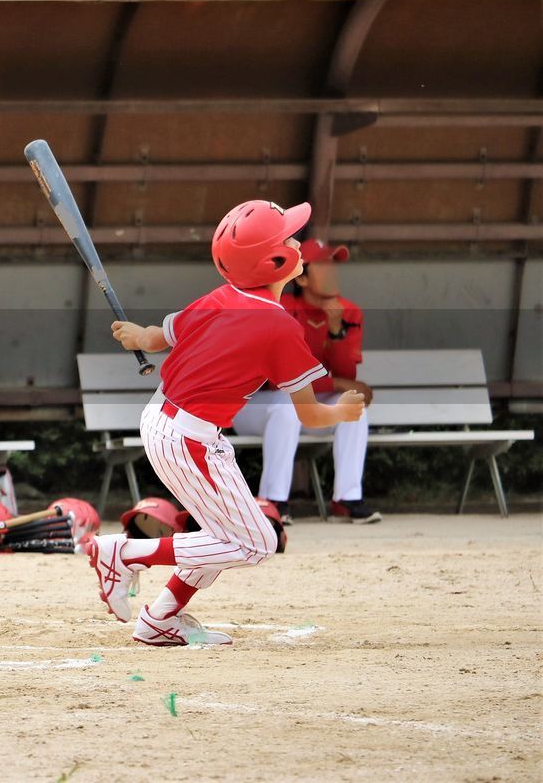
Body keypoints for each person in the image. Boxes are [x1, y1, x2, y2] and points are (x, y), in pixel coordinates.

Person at [87, 200, 365, 646]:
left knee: (222, 536)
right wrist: (342, 413)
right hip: (187, 438)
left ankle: (160, 620)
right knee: (256, 544)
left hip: (168, 424)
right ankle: (124, 551)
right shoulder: (279, 327)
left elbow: (159, 338)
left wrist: (137, 336)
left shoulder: (221, 297)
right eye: (290, 240)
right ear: (273, 262)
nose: (298, 243)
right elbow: (311, 414)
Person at [231, 239, 379, 524]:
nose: (332, 272)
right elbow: (279, 381)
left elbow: (346, 373)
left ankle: (347, 499)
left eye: (334, 265)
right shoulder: (280, 308)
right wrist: (336, 385)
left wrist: (336, 332)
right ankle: (273, 502)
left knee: (353, 409)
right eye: (323, 266)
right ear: (301, 277)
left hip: (309, 407)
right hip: (254, 406)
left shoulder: (348, 311)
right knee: (287, 405)